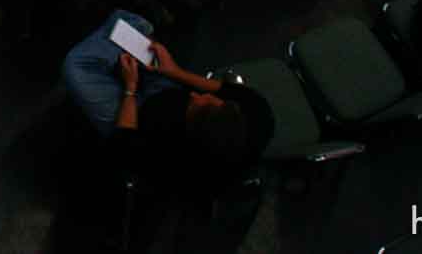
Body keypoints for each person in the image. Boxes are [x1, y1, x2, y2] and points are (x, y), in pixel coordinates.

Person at [60, 10, 272, 190]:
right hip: (167, 89)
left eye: (197, 102)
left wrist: (130, 88)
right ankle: (119, 40)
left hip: (135, 117)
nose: (197, 94)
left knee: (76, 64)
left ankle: (112, 43)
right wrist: (174, 71)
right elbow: (223, 89)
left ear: (191, 127)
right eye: (215, 100)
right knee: (123, 26)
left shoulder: (172, 160)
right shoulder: (258, 114)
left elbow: (124, 142)